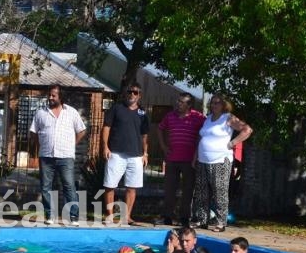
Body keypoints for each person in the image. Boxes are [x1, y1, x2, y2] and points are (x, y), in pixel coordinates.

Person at [192, 94, 253, 232]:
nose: (214, 105)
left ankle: (221, 222)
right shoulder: (207, 119)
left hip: (220, 160)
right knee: (202, 191)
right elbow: (202, 138)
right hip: (203, 160)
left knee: (219, 190)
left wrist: (232, 143)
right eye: (212, 103)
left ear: (224, 105)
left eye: (217, 103)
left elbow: (247, 130)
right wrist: (195, 157)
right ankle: (202, 219)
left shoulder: (228, 118)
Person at [29, 84, 87, 226]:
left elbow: (82, 130)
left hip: (65, 156)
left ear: (61, 97)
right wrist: (42, 145)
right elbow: (33, 132)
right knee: (46, 187)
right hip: (46, 156)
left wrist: (72, 144)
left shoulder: (71, 112)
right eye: (49, 95)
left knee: (68, 186)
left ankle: (73, 216)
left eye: (54, 95)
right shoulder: (41, 113)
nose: (50, 97)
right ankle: (50, 216)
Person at [102, 82, 150, 225]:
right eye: (130, 92)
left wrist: (145, 153)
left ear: (139, 96)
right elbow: (106, 127)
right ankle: (110, 215)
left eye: (135, 92)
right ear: (126, 93)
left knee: (132, 187)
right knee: (110, 185)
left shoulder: (143, 113)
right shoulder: (117, 108)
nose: (132, 95)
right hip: (116, 153)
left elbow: (145, 135)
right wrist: (105, 147)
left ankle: (127, 217)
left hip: (136, 155)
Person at [157, 92, 205, 226]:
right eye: (178, 101)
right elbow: (160, 129)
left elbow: (207, 131)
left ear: (189, 105)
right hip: (172, 158)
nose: (178, 104)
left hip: (190, 160)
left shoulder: (198, 117)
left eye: (182, 102)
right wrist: (163, 146)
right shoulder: (170, 116)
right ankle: (167, 216)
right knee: (170, 189)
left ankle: (184, 218)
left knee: (188, 190)